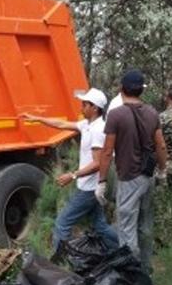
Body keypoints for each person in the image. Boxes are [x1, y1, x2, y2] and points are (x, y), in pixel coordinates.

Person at [20, 87, 118, 252]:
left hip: (89, 189)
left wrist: (72, 175)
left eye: (85, 104)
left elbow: (98, 163)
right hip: (90, 187)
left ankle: (59, 260)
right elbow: (62, 124)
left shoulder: (98, 130)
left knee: (62, 223)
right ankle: (125, 248)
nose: (81, 107)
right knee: (100, 226)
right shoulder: (87, 125)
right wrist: (37, 119)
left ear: (95, 108)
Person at [97, 70, 166, 272]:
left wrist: (102, 181)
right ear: (142, 90)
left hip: (128, 178)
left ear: (121, 89)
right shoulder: (152, 113)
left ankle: (132, 275)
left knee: (127, 229)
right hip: (148, 176)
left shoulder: (116, 115)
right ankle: (145, 268)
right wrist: (162, 171)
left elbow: (107, 151)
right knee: (145, 226)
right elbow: (161, 146)